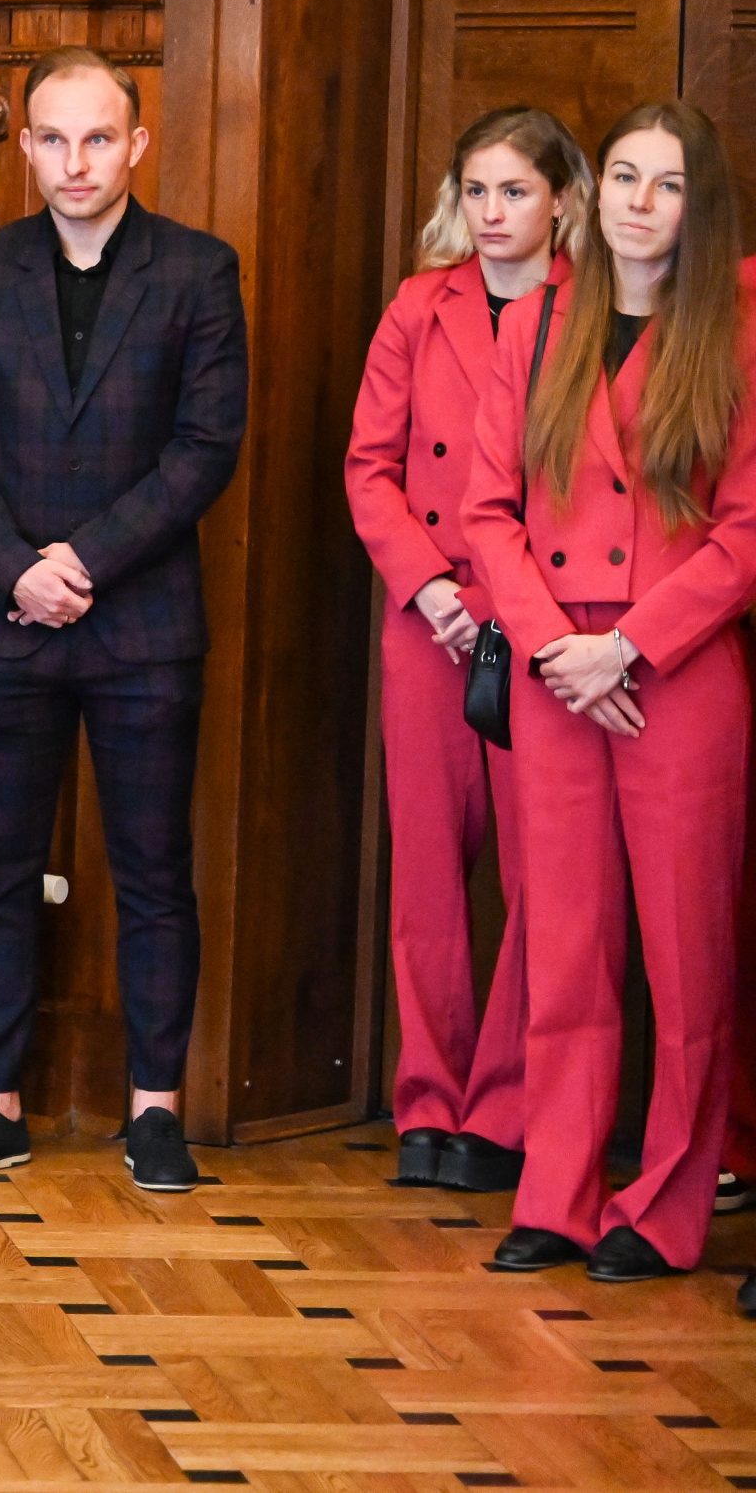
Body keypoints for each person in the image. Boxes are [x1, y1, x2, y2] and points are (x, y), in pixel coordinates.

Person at [0, 46, 249, 1193]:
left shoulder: (197, 269)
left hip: (141, 621)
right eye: (53, 138)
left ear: (136, 144)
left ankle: (153, 1109)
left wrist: (84, 560)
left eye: (97, 137)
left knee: (152, 871)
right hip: (2, 616)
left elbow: (204, 446)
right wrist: (18, 568)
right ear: (25, 147)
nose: (74, 161)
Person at [463, 99, 756, 1282]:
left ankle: (668, 1205)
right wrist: (551, 648)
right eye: (625, 176)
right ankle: (557, 1192)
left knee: (687, 958)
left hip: (672, 666)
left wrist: (627, 646)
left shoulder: (736, 329)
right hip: (555, 670)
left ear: (699, 206)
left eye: (667, 183)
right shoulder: (540, 318)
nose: (640, 201)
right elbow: (486, 509)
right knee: (564, 942)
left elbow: (745, 532)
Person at [346, 107, 593, 1193]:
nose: (492, 213)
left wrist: (497, 601)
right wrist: (428, 585)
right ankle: (429, 1103)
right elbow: (370, 466)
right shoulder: (420, 304)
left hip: (537, 627)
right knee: (428, 874)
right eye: (476, 191)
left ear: (560, 201)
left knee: (542, 876)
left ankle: (504, 1109)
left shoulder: (592, 313)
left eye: (515, 192)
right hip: (428, 622)